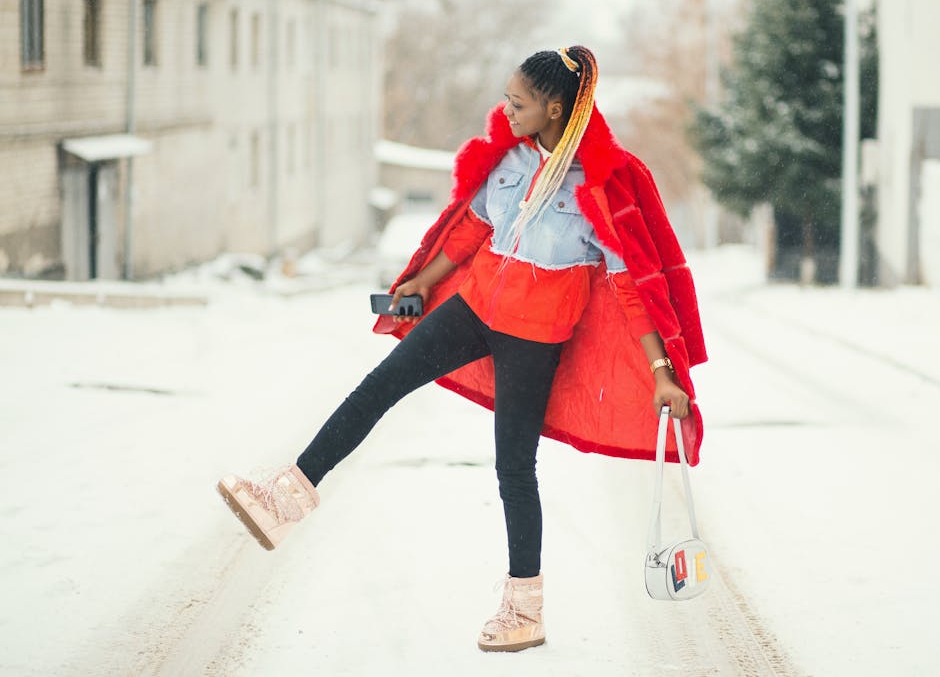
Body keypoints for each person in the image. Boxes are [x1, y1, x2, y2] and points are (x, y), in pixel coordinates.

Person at [217, 45, 708, 653]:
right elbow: (473, 227)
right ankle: (285, 500)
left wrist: (662, 370)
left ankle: (525, 608)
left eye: (518, 101)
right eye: (507, 97)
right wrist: (424, 280)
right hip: (474, 309)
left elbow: (631, 285)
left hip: (536, 338)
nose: (505, 109)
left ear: (555, 107)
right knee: (378, 386)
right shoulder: (510, 160)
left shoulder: (599, 183)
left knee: (512, 468)